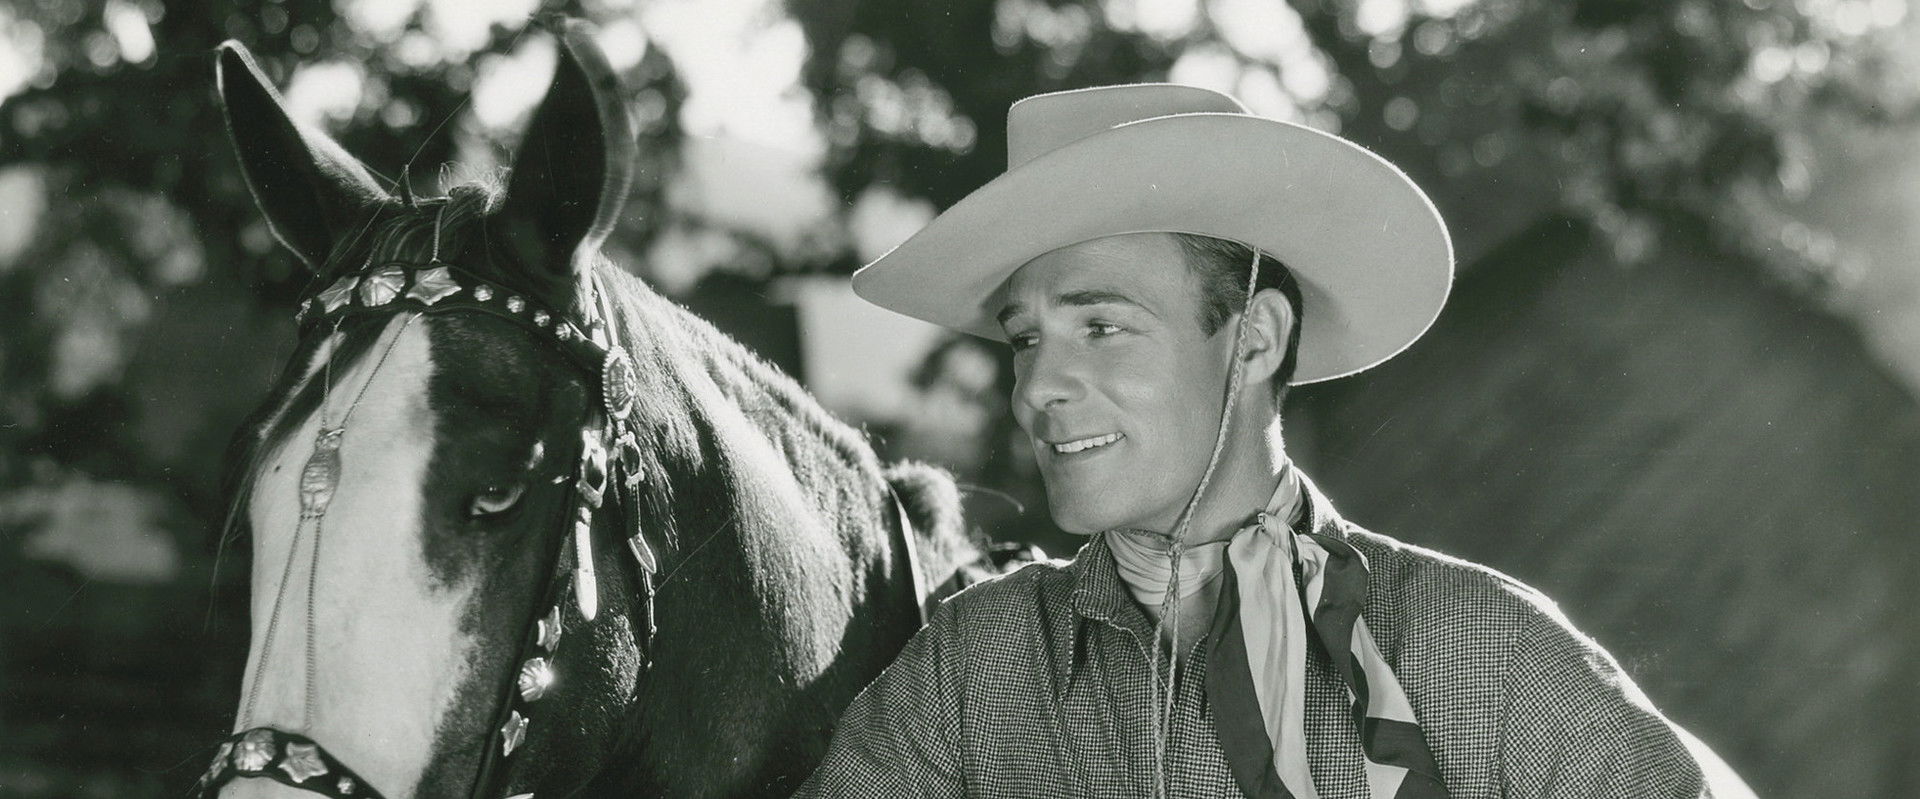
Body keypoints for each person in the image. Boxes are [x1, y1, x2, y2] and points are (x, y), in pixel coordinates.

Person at [796, 84, 1753, 798]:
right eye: (1025, 340)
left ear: (1254, 338)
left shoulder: (1480, 651)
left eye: (1102, 325)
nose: (1039, 385)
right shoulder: (972, 671)